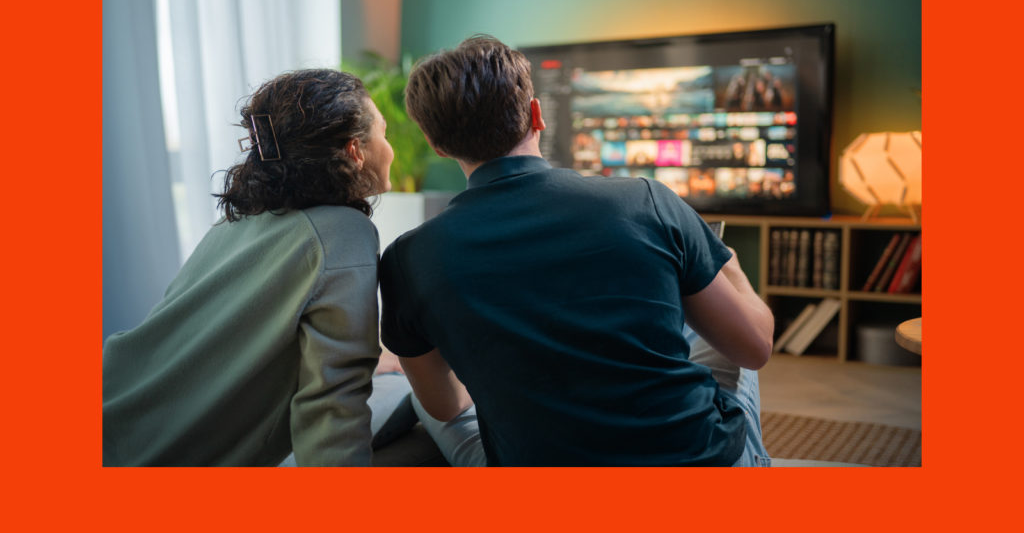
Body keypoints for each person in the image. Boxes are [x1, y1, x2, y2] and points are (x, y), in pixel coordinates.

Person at [380, 35, 775, 466]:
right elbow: (755, 348)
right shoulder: (647, 200)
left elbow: (447, 406)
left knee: (421, 397)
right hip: (695, 467)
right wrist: (725, 261)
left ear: (437, 144)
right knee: (714, 310)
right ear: (536, 115)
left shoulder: (408, 258)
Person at [104, 68, 411, 466]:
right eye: (383, 133)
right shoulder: (343, 233)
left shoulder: (238, 219)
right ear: (355, 150)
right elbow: (333, 407)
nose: (390, 148)